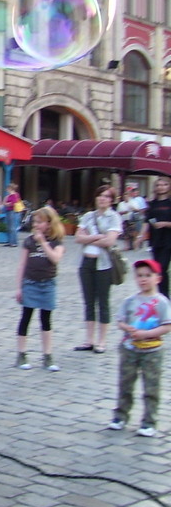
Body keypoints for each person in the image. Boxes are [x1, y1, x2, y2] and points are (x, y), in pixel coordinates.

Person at [108, 259, 171, 437]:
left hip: (152, 351)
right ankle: (120, 416)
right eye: (140, 276)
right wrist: (127, 328)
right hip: (129, 349)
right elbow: (120, 321)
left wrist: (146, 334)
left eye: (148, 276)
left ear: (157, 278)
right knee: (125, 384)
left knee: (151, 387)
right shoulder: (130, 301)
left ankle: (149, 421)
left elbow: (167, 326)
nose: (143, 279)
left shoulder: (161, 302)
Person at [73, 185, 123, 354]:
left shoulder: (114, 217)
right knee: (88, 302)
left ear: (111, 200)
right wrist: (96, 237)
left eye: (107, 196)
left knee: (103, 302)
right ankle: (89, 340)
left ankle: (102, 341)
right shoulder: (88, 216)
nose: (103, 198)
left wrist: (88, 238)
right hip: (86, 262)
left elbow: (110, 241)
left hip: (104, 264)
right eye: (100, 195)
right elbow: (78, 238)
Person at [14, 207, 65, 372]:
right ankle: (21, 353)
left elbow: (55, 259)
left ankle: (47, 356)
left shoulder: (56, 241)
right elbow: (22, 264)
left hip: (48, 284)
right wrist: (19, 287)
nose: (36, 225)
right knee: (26, 317)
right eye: (34, 221)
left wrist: (43, 242)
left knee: (46, 319)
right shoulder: (28, 241)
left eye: (40, 222)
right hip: (30, 283)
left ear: (49, 224)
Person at [145, 175, 171, 298]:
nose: (161, 187)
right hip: (156, 239)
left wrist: (165, 224)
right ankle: (159, 295)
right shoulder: (152, 203)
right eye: (159, 185)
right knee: (157, 268)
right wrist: (140, 236)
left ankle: (165, 296)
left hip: (168, 240)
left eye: (164, 185)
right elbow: (147, 220)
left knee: (162, 267)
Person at [117, 184, 147, 251]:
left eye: (127, 195)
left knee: (134, 233)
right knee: (126, 234)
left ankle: (135, 245)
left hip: (133, 219)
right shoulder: (121, 204)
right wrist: (123, 212)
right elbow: (118, 212)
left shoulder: (133, 201)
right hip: (125, 219)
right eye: (124, 196)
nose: (126, 197)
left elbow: (138, 209)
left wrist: (133, 209)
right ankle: (127, 246)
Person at [3, 183, 22, 247]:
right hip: (9, 211)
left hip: (12, 211)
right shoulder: (9, 195)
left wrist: (7, 203)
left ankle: (14, 242)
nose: (7, 190)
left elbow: (14, 203)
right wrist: (6, 203)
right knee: (9, 226)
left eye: (7, 188)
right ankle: (10, 241)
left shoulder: (14, 195)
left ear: (10, 188)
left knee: (12, 227)